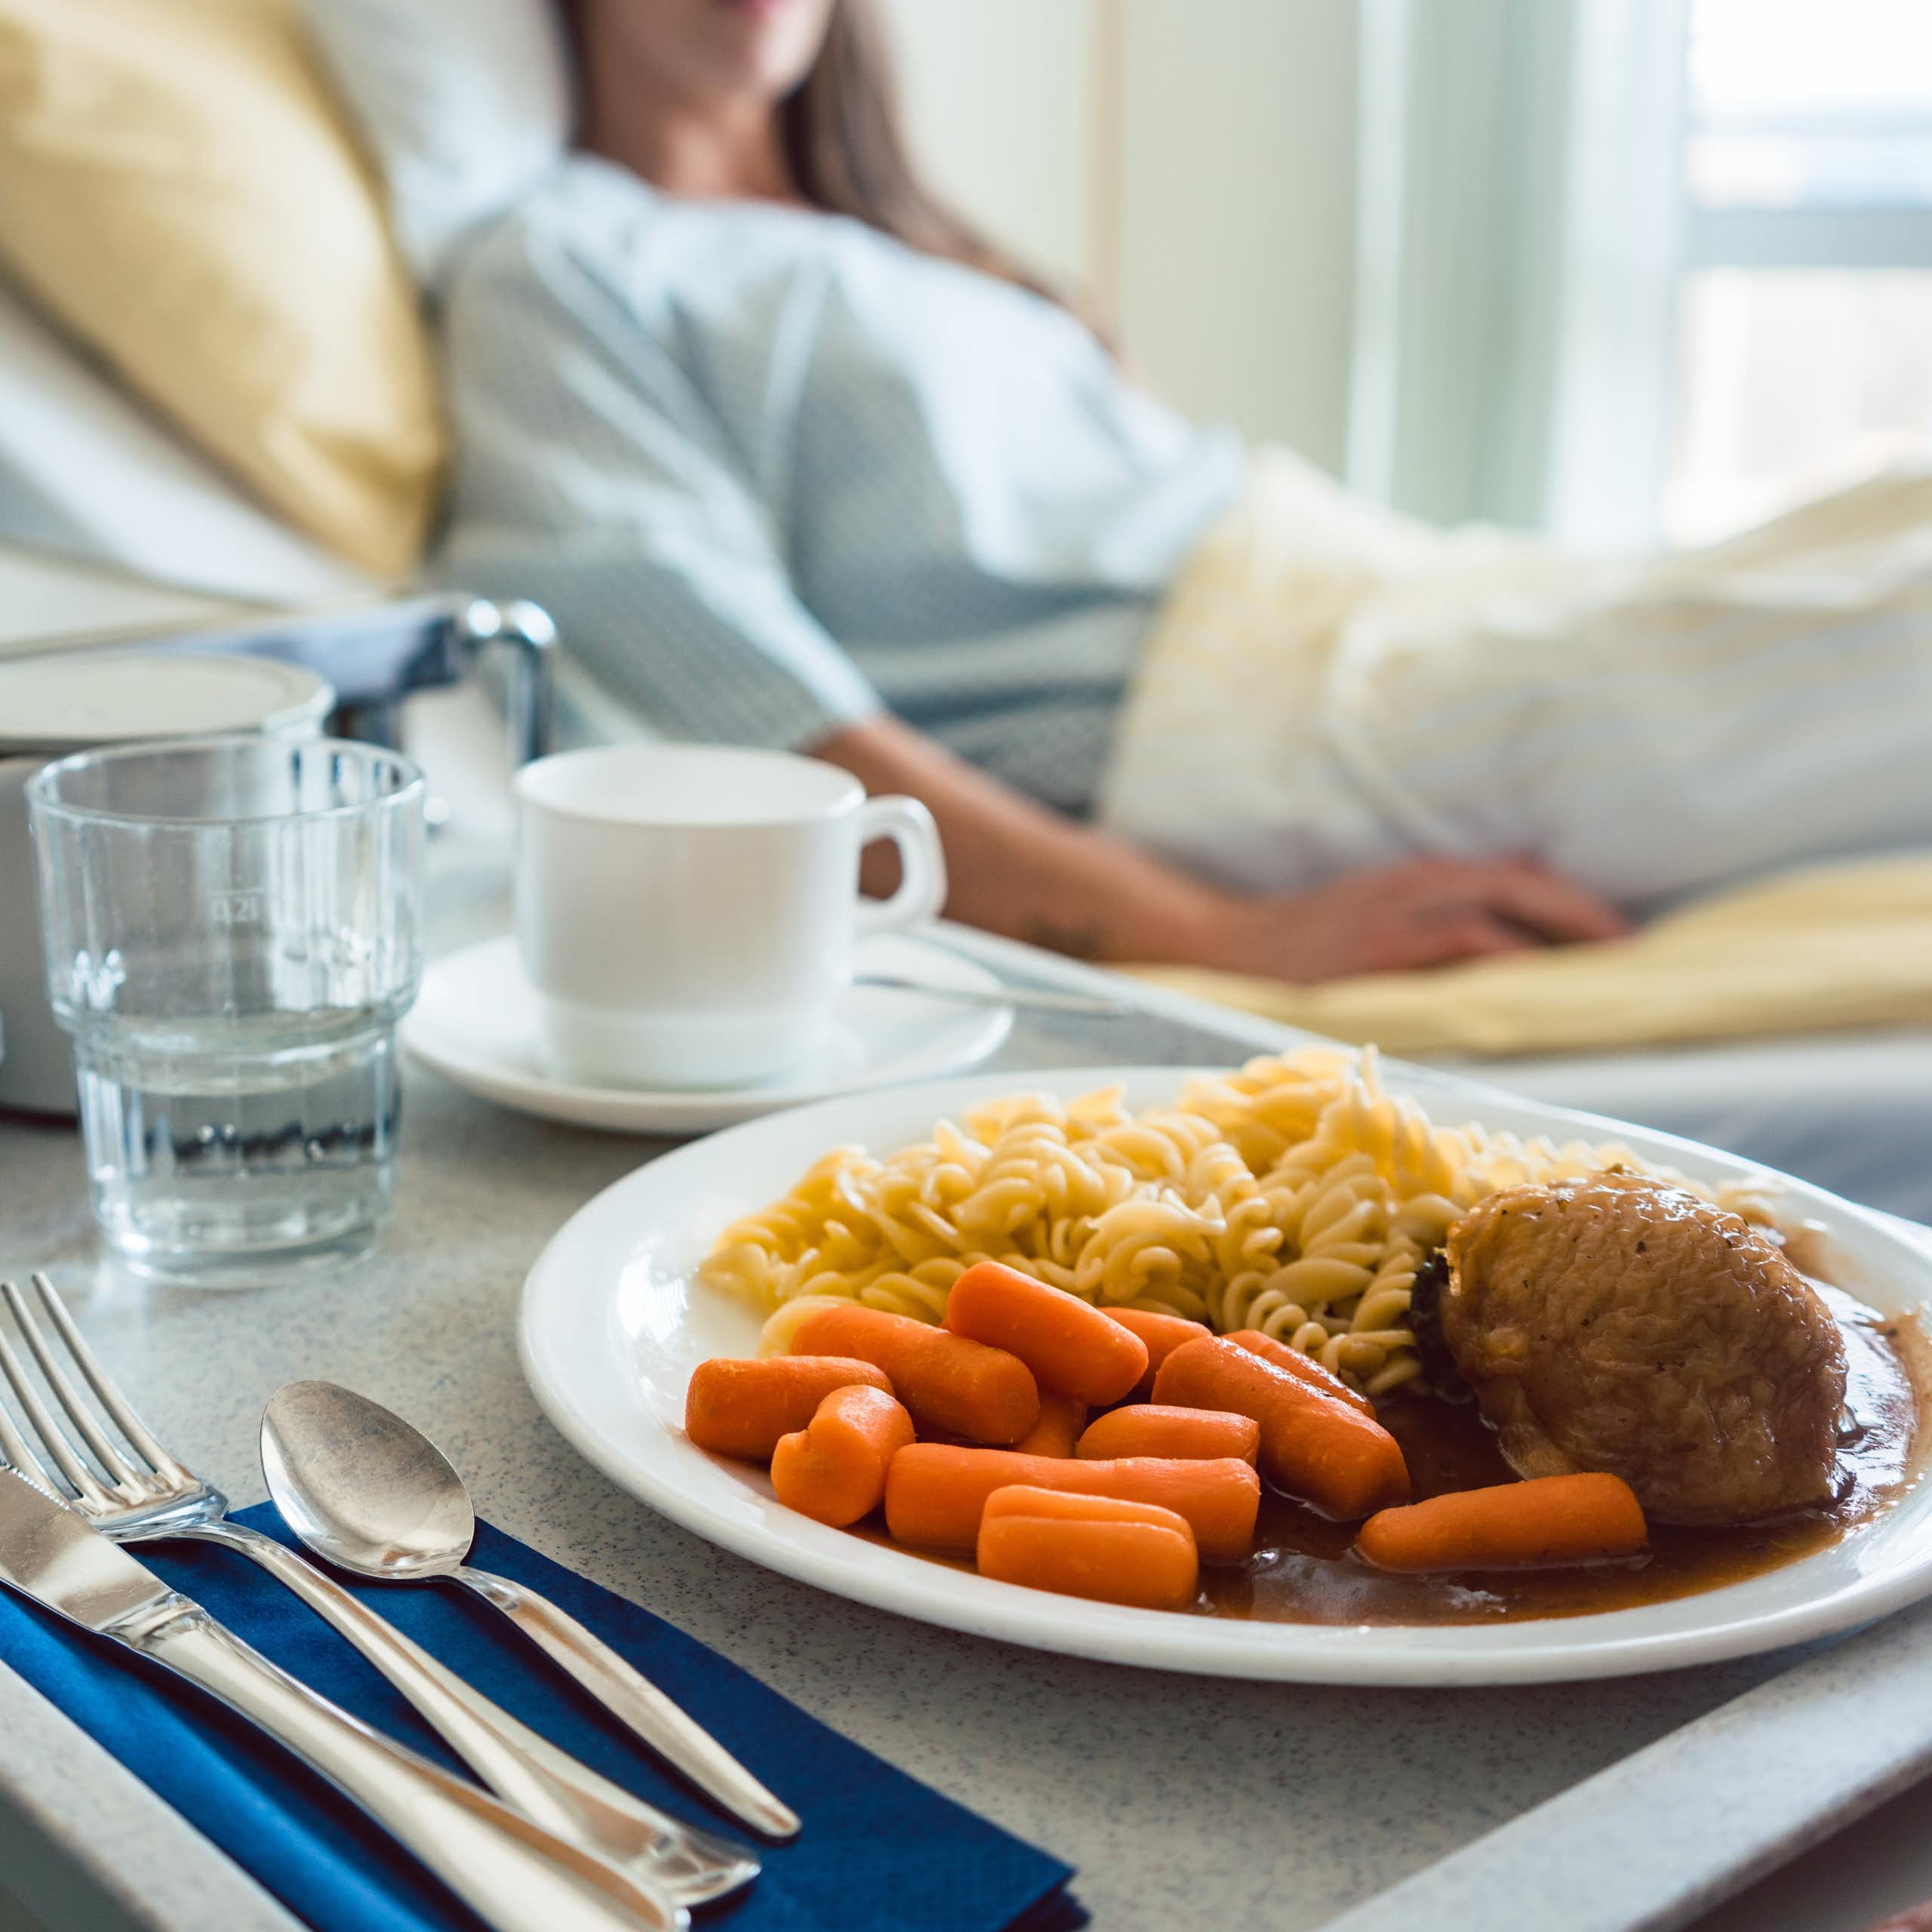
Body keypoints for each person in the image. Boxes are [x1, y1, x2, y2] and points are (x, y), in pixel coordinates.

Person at [438, 0, 1932, 980]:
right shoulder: (559, 263)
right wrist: (1213, 931)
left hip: (1384, 590)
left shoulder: (907, 246)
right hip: (1246, 713)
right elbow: (729, 689)